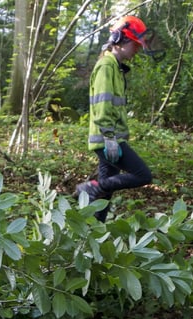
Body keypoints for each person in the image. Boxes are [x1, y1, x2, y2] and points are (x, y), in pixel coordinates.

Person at [75, 15, 153, 222]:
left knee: (103, 197)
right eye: (135, 45)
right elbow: (102, 106)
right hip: (107, 139)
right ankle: (90, 187)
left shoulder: (116, 68)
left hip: (111, 139)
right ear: (121, 40)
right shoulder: (106, 66)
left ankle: (92, 231)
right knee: (142, 175)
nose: (136, 50)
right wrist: (109, 137)